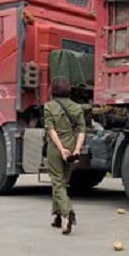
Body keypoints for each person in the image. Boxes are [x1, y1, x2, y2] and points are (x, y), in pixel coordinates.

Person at [44, 76, 85, 235]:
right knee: (62, 183)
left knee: (57, 182)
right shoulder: (77, 108)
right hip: (72, 144)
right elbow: (82, 130)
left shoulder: (49, 106)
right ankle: (57, 217)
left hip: (56, 148)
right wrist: (77, 150)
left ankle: (67, 213)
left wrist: (61, 149)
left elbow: (51, 130)